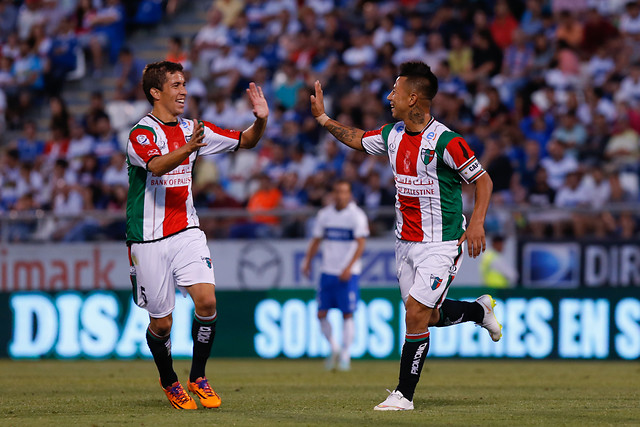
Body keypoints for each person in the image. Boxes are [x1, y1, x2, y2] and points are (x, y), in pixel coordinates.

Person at [310, 61, 501, 411]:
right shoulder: (392, 135)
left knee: (415, 312)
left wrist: (477, 223)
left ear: (413, 98)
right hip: (405, 244)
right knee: (426, 316)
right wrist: (323, 119)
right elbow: (356, 138)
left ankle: (404, 395)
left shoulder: (447, 141)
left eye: (394, 92)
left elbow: (483, 180)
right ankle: (477, 310)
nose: (389, 97)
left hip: (441, 243)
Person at [126, 61, 268, 410]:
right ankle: (169, 380)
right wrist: (190, 149)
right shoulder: (140, 134)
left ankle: (198, 376)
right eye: (175, 85)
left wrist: (261, 119)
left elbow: (247, 140)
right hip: (147, 238)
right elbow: (156, 165)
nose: (184, 91)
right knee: (162, 323)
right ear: (156, 93)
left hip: (186, 230)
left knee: (206, 302)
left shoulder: (195, 129)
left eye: (184, 83)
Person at [301, 180, 369, 371]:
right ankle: (334, 347)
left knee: (347, 313)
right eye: (338, 191)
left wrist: (348, 267)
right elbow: (316, 240)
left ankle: (346, 354)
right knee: (321, 313)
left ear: (349, 194)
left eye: (344, 192)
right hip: (327, 270)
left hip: (348, 272)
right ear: (333, 194)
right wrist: (307, 261)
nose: (341, 195)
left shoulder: (356, 216)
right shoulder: (325, 215)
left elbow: (360, 243)